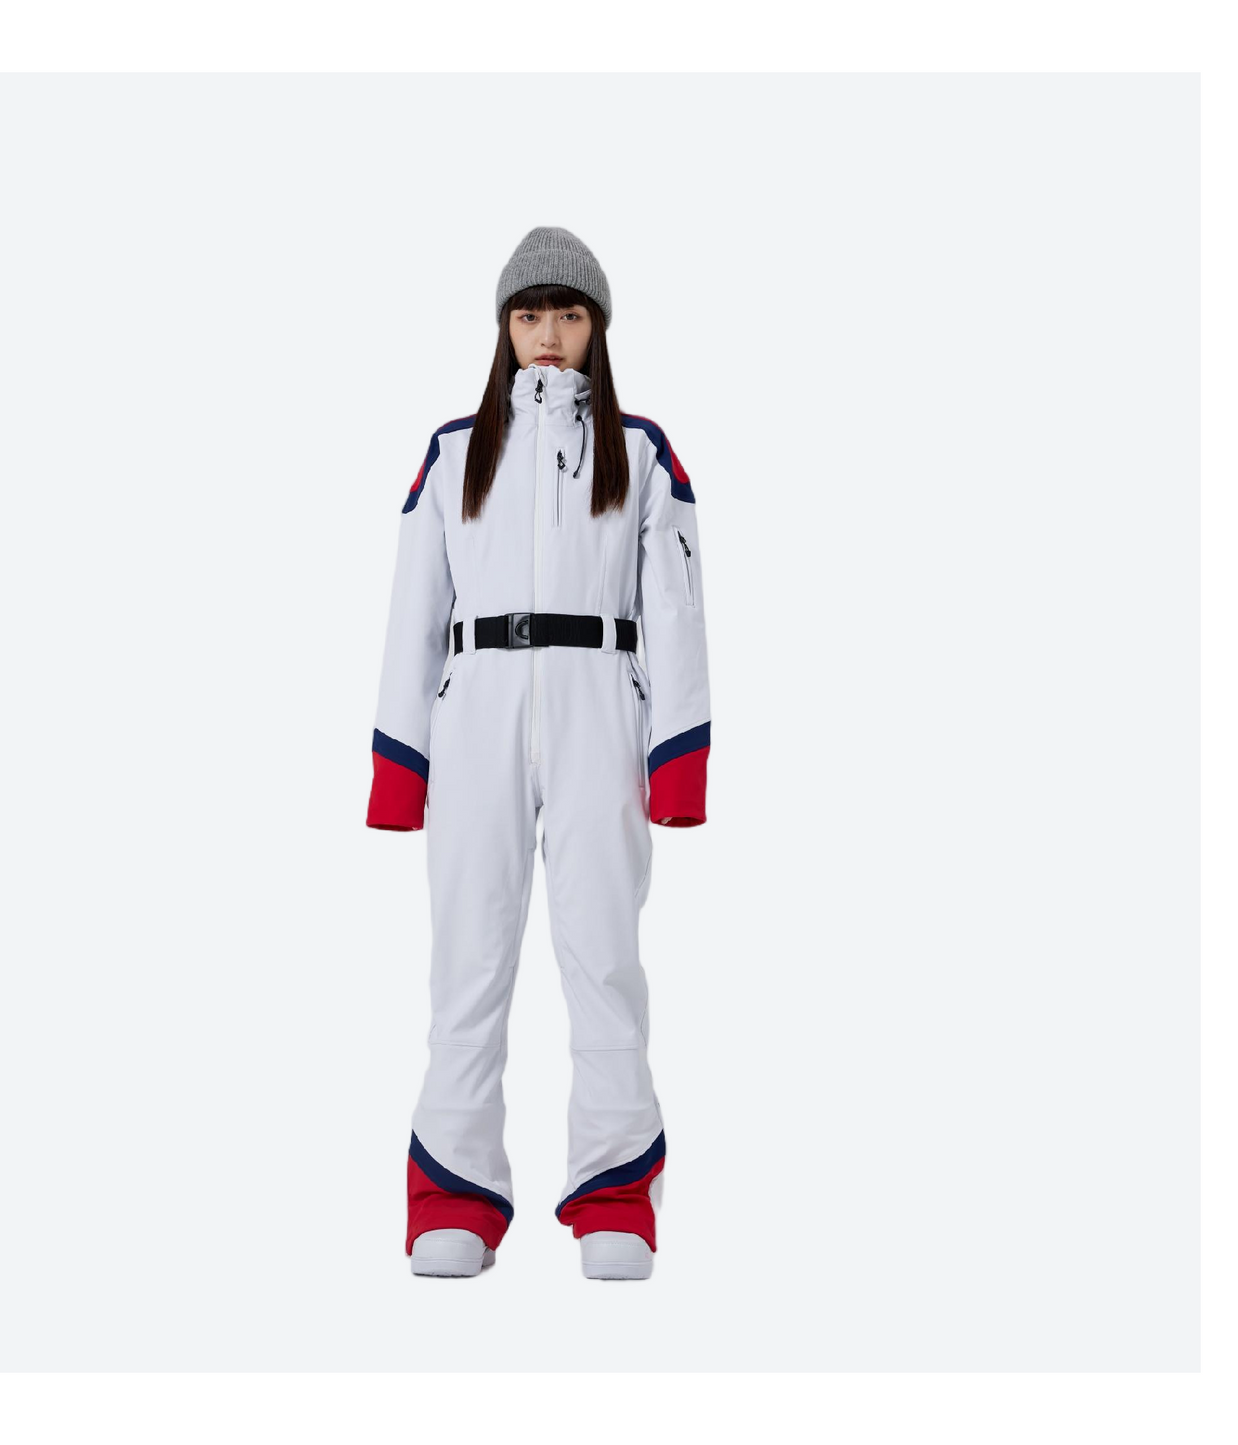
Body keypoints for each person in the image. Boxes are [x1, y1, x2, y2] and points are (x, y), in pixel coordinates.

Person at [365, 225, 711, 1280]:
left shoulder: (638, 451)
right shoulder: (453, 451)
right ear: (503, 329)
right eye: (528, 315)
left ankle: (614, 1192)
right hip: (475, 712)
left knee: (600, 954)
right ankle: (453, 1192)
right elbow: (413, 613)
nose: (547, 333)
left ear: (596, 326)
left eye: (566, 314)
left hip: (599, 705)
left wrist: (677, 756)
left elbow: (675, 611)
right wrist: (399, 766)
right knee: (468, 959)